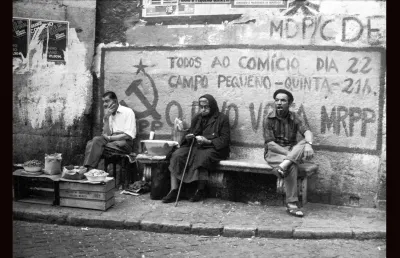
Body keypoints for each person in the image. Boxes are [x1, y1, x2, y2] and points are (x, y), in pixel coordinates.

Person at [162, 94, 231, 203]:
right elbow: (191, 133)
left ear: (212, 106)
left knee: (202, 157)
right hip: (195, 146)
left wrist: (207, 141)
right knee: (176, 155)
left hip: (213, 148)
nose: (203, 109)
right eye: (201, 107)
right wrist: (189, 137)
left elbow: (225, 140)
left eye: (206, 107)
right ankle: (174, 190)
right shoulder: (197, 118)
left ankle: (200, 190)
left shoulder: (222, 118)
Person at [263, 89, 315, 217]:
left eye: (283, 100)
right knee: (292, 164)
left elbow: (307, 132)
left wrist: (309, 144)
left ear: (289, 103)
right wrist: (290, 154)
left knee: (304, 141)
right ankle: (292, 204)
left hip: (291, 152)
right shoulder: (268, 119)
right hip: (275, 152)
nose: (279, 103)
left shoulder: (295, 117)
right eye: (277, 100)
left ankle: (283, 166)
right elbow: (270, 144)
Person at [83, 91, 136, 170]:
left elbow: (128, 135)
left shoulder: (128, 112)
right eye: (103, 102)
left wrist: (110, 138)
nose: (104, 104)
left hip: (124, 142)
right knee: (95, 140)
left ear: (115, 101)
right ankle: (90, 169)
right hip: (110, 141)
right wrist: (106, 118)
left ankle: (88, 169)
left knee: (92, 145)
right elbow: (107, 134)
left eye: (107, 101)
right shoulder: (108, 114)